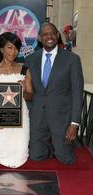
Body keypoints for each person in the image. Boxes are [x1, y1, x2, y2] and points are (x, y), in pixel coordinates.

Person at [25, 22, 84, 165]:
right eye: (45, 34)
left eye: (52, 33)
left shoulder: (72, 59)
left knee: (66, 159)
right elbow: (30, 90)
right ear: (40, 38)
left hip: (61, 118)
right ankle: (50, 148)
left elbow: (77, 92)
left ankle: (61, 147)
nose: (49, 36)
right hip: (39, 116)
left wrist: (74, 124)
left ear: (57, 35)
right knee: (35, 156)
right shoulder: (31, 59)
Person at [0, 32, 33, 168]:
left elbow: (30, 95)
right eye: (9, 47)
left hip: (21, 120)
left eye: (16, 48)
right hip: (1, 120)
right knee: (1, 153)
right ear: (1, 49)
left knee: (21, 154)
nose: (14, 52)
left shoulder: (24, 69)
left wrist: (23, 90)